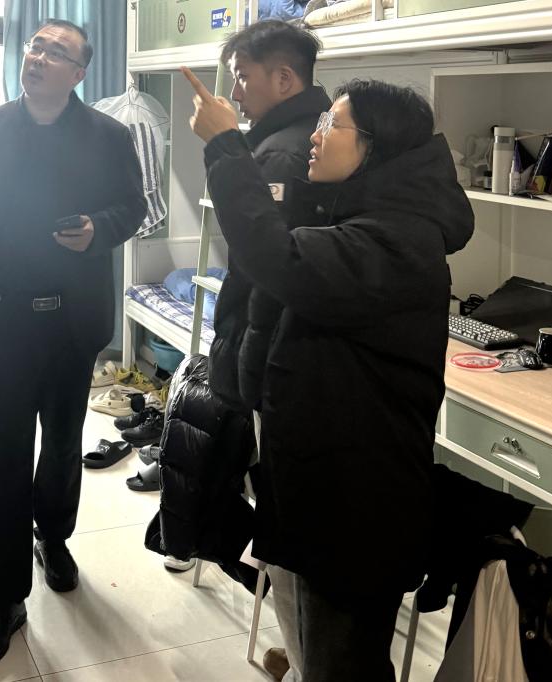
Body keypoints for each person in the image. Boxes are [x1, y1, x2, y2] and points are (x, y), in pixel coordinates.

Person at [182, 68, 474, 681]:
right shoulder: (364, 217)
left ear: (374, 147)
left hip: (356, 503)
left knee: (344, 661)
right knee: (319, 644)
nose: (316, 136)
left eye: (332, 124)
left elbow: (278, 258)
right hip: (323, 481)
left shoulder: (393, 241)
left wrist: (227, 147)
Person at [0, 19, 146, 665]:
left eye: (57, 52)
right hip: (3, 315)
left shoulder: (109, 136)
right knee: (6, 450)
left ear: (78, 73)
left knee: (61, 440)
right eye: (36, 46)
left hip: (71, 321)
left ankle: (53, 537)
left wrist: (99, 229)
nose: (39, 57)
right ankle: (6, 595)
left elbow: (133, 207)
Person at [207, 20, 329, 682]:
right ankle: (302, 649)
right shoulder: (305, 139)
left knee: (283, 525)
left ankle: (305, 657)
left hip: (275, 356)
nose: (236, 92)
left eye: (244, 78)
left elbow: (264, 266)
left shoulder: (282, 155)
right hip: (288, 352)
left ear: (284, 79)